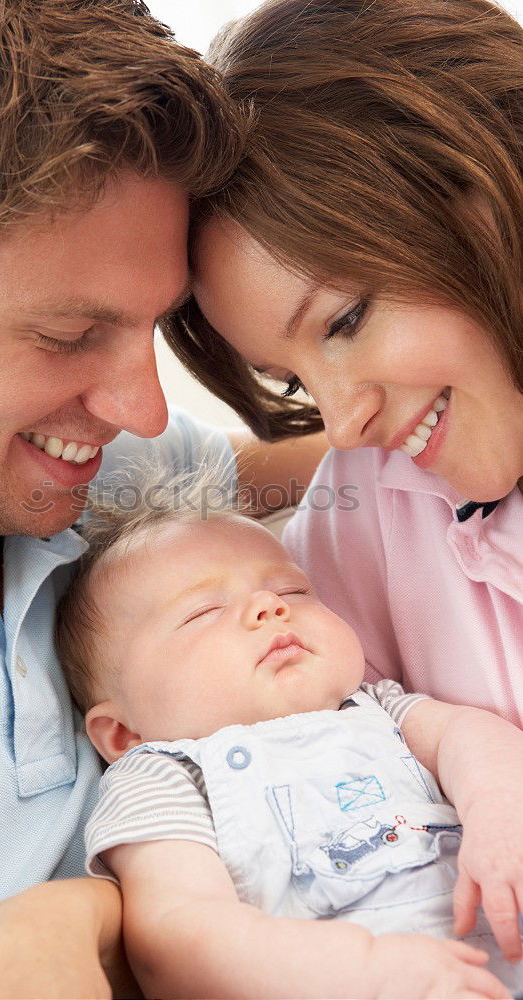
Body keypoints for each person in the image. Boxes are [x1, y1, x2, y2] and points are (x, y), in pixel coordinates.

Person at [0, 1, 330, 995]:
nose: (144, 410)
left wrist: (84, 906)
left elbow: (324, 468)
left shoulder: (99, 480)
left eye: (153, 327)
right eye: (72, 335)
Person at [161, 0, 523, 724]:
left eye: (345, 320)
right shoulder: (363, 519)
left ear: (482, 196)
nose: (343, 424)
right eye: (291, 380)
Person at [54, 465, 523, 999]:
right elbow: (179, 934)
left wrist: (500, 812)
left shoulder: (378, 709)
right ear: (121, 734)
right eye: (205, 610)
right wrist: (361, 970)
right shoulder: (166, 777)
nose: (269, 607)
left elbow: (474, 736)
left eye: (294, 590)